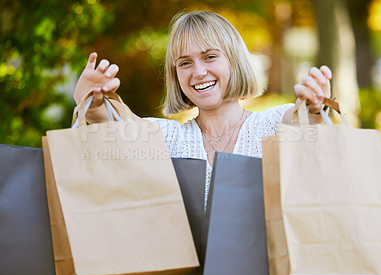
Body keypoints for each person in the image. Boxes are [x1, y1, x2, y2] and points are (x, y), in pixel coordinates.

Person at [72, 11, 332, 203]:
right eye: (185, 63)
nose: (198, 72)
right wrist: (92, 100)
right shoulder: (169, 138)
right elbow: (117, 123)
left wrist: (313, 103)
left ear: (234, 61)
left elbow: (304, 120)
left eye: (209, 57)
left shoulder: (270, 124)